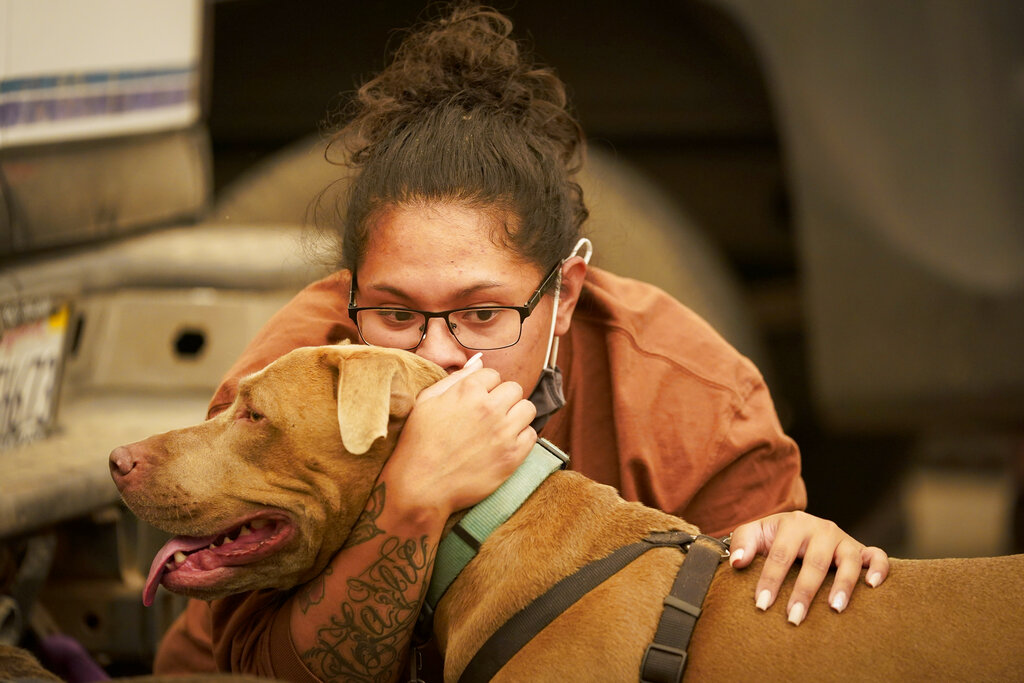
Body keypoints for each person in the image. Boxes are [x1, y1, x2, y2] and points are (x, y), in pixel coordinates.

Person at [154, 4, 888, 680]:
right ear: (352, 292)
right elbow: (268, 666)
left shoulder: (694, 398)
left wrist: (804, 552)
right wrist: (412, 498)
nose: (437, 353)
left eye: (480, 314)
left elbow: (747, 643)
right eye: (395, 312)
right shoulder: (287, 380)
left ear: (563, 294)